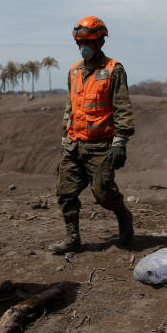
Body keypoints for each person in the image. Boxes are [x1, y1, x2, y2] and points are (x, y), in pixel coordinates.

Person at [49, 16, 135, 253]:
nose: (82, 46)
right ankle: (72, 238)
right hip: (74, 145)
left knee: (103, 195)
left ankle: (123, 215)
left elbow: (122, 107)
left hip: (101, 147)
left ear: (100, 42)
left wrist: (120, 141)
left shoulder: (113, 70)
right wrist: (64, 134)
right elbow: (70, 106)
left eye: (87, 42)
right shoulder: (74, 71)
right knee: (65, 192)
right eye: (79, 42)